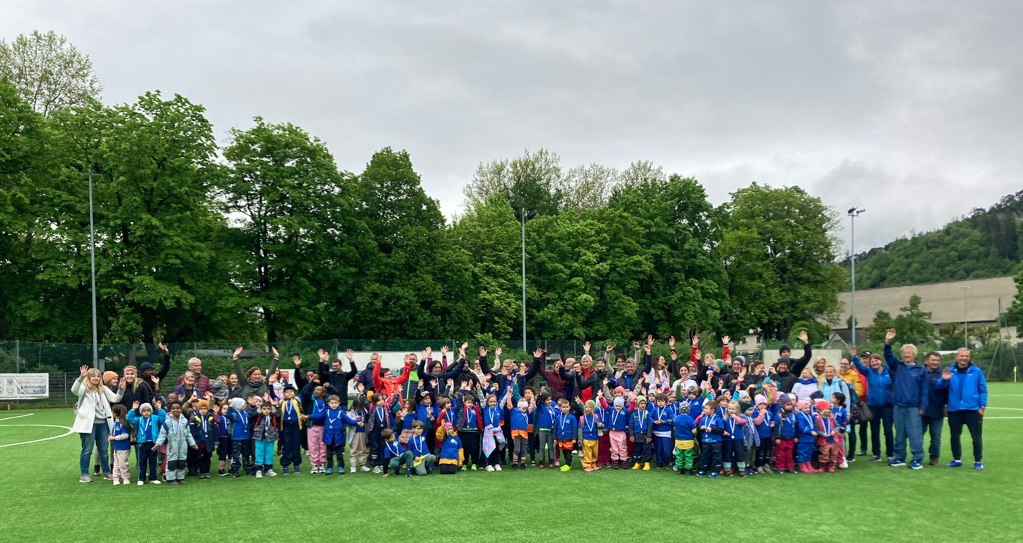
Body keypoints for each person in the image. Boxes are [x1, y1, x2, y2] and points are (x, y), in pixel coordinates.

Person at [883, 328, 928, 469]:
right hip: (898, 405)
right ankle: (900, 457)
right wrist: (888, 341)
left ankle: (917, 458)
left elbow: (925, 391)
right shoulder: (898, 366)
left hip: (913, 407)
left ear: (914, 355)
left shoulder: (921, 370)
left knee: (915, 433)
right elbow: (888, 355)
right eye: (904, 353)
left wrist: (923, 407)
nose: (906, 355)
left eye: (909, 353)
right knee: (900, 433)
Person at [71, 365, 125, 483]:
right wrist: (80, 377)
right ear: (88, 378)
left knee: (103, 449)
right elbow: (74, 390)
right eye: (93, 376)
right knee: (87, 450)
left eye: (98, 376)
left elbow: (116, 399)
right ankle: (84, 474)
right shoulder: (84, 388)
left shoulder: (103, 389)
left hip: (103, 424)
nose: (96, 378)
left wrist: (121, 390)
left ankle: (106, 472)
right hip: (87, 424)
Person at [937, 348, 987, 470]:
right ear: (957, 357)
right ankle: (957, 459)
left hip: (972, 409)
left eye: (966, 356)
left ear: (969, 357)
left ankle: (978, 461)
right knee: (954, 436)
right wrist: (944, 379)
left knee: (976, 437)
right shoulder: (950, 371)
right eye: (962, 356)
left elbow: (983, 390)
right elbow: (939, 387)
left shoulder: (976, 371)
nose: (964, 358)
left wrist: (982, 406)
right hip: (954, 410)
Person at [851, 347, 893, 462]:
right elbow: (859, 367)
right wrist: (854, 357)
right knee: (874, 431)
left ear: (881, 361)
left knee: (888, 430)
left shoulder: (888, 372)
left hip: (887, 405)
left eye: (876, 360)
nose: (874, 362)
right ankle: (876, 454)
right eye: (872, 361)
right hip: (873, 405)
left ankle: (890, 454)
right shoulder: (868, 372)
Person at [309, 393, 361, 475]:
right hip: (328, 437)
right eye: (332, 403)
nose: (334, 405)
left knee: (339, 454)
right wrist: (308, 416)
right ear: (328, 403)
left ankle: (340, 467)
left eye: (335, 403)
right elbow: (317, 416)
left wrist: (357, 423)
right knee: (329, 454)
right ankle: (329, 467)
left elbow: (348, 421)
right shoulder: (326, 412)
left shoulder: (341, 413)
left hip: (338, 436)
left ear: (339, 403)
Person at [153, 401, 199, 485]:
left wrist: (193, 444)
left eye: (177, 408)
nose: (175, 410)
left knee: (181, 461)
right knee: (172, 462)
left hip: (183, 444)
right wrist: (157, 444)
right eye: (173, 408)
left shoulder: (184, 421)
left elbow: (188, 433)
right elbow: (162, 434)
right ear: (170, 410)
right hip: (172, 444)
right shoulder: (167, 422)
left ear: (181, 410)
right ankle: (171, 479)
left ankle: (180, 478)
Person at [128, 400, 165, 484]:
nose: (146, 413)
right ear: (141, 412)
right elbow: (129, 418)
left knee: (153, 461)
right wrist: (133, 409)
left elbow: (163, 418)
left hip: (153, 443)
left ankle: (153, 478)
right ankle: (141, 479)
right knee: (142, 462)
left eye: (148, 411)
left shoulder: (155, 418)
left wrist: (159, 409)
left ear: (151, 411)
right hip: (142, 444)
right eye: (144, 411)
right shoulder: (138, 420)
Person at [921, 351, 948, 465]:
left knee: (936, 436)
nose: (935, 362)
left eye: (937, 360)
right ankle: (918, 455)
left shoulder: (943, 374)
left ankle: (934, 457)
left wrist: (946, 406)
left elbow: (947, 391)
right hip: (921, 410)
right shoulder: (920, 372)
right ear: (926, 361)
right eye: (933, 360)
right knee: (918, 435)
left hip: (937, 410)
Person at [277, 384, 305, 474]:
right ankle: (285, 465)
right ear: (283, 394)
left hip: (296, 426)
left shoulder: (297, 400)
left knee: (296, 445)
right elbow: (273, 395)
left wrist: (311, 381)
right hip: (285, 426)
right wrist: (270, 384)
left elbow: (304, 390)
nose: (289, 393)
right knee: (286, 445)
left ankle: (296, 464)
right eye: (287, 392)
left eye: (291, 391)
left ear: (294, 393)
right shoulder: (281, 401)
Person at [188, 399, 219, 479]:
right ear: (198, 409)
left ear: (207, 409)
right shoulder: (195, 419)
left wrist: (216, 442)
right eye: (201, 409)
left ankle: (207, 472)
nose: (203, 411)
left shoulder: (211, 419)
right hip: (199, 441)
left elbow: (215, 431)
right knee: (200, 457)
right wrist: (193, 442)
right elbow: (192, 431)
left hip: (208, 441)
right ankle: (202, 472)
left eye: (205, 409)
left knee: (208, 457)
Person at [227, 397, 256, 477]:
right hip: (237, 437)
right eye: (244, 404)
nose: (245, 405)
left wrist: (253, 405)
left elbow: (254, 413)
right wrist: (230, 405)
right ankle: (234, 469)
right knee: (236, 454)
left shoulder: (246, 413)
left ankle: (248, 468)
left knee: (246, 454)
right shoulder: (234, 414)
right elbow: (227, 415)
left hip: (246, 437)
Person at [252, 396, 280, 478]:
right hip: (259, 436)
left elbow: (279, 414)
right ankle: (258, 470)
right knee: (259, 452)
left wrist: (276, 406)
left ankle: (268, 469)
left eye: (268, 408)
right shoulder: (258, 415)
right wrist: (254, 406)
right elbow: (252, 414)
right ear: (261, 409)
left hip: (270, 437)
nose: (266, 410)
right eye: (264, 409)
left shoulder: (272, 416)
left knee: (269, 453)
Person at [696, 401, 723, 478]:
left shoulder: (718, 419)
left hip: (716, 441)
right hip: (705, 441)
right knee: (704, 456)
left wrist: (711, 430)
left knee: (716, 456)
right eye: (704, 408)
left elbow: (721, 430)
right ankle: (703, 469)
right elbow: (698, 428)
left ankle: (716, 471)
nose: (704, 410)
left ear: (712, 410)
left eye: (706, 409)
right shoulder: (703, 418)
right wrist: (700, 428)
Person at [773, 393, 797, 474]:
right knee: (780, 454)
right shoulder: (779, 414)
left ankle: (790, 467)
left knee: (789, 454)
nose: (790, 406)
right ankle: (780, 467)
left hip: (790, 438)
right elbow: (776, 427)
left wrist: (795, 436)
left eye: (791, 404)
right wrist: (777, 437)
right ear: (783, 406)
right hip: (781, 438)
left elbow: (795, 426)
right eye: (788, 405)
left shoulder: (793, 414)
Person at [108, 405, 132, 485]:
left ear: (115, 413)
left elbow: (125, 435)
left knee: (123, 464)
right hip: (116, 447)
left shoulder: (123, 423)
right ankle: (116, 478)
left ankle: (126, 478)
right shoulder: (115, 423)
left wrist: (114, 438)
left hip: (123, 447)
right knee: (116, 464)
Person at [722, 400, 747, 476]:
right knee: (727, 454)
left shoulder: (740, 417)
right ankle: (727, 469)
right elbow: (721, 427)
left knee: (740, 453)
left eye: (733, 409)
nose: (731, 410)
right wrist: (723, 432)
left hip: (738, 439)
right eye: (729, 408)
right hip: (727, 439)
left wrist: (736, 417)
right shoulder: (725, 418)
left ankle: (741, 469)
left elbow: (744, 424)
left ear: (737, 410)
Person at [672, 402, 697, 475]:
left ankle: (679, 468)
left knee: (679, 455)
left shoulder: (676, 418)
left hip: (678, 440)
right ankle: (688, 469)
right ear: (688, 410)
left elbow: (674, 427)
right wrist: (695, 434)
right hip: (688, 440)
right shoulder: (689, 419)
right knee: (688, 455)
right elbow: (694, 429)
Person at [814, 400, 839, 473]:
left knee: (834, 453)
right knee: (824, 453)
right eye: (826, 409)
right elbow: (816, 429)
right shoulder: (818, 419)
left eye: (829, 409)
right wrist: (821, 434)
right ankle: (822, 466)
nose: (828, 411)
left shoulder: (831, 418)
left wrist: (834, 430)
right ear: (821, 410)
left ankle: (830, 466)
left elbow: (837, 426)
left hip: (833, 440)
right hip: (824, 440)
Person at [628, 396, 652, 470]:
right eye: (641, 403)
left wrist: (649, 436)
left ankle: (647, 463)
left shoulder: (647, 413)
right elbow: (631, 425)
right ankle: (637, 463)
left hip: (645, 434)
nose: (643, 405)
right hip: (636, 434)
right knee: (637, 449)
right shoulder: (634, 414)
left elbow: (650, 424)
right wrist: (631, 435)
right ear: (638, 404)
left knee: (646, 448)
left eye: (644, 403)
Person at [554, 398, 578, 472]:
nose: (565, 409)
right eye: (563, 407)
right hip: (561, 438)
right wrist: (554, 438)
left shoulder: (572, 417)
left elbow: (574, 428)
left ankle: (568, 464)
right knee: (564, 452)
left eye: (567, 407)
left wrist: (574, 438)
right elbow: (555, 428)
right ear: (560, 408)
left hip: (569, 438)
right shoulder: (558, 417)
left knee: (568, 452)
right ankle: (567, 464)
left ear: (569, 407)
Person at [607, 396, 630, 469]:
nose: (617, 407)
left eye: (619, 406)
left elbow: (631, 409)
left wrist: (632, 401)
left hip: (621, 432)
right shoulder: (611, 410)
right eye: (616, 405)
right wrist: (601, 397)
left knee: (622, 447)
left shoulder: (624, 411)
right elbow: (605, 405)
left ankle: (624, 461)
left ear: (622, 406)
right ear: (614, 406)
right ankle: (615, 461)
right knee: (614, 448)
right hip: (612, 432)